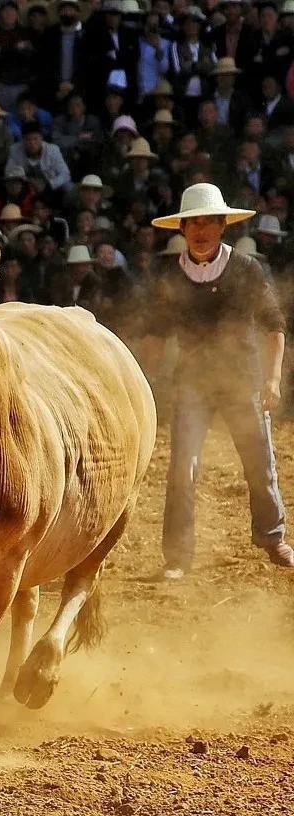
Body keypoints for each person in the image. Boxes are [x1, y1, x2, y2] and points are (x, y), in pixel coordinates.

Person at [145, 183, 294, 578]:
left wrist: (273, 378)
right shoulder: (170, 277)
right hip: (193, 381)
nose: (201, 229)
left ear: (223, 225)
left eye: (209, 220)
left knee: (260, 464)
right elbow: (157, 335)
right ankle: (178, 558)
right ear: (182, 228)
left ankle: (272, 536)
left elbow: (274, 326)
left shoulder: (246, 269)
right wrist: (150, 380)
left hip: (242, 379)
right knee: (182, 469)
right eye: (194, 222)